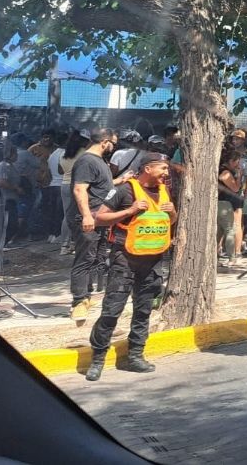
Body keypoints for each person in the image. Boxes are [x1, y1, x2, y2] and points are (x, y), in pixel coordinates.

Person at [82, 153, 175, 381]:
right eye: (162, 168)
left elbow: (168, 220)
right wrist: (130, 211)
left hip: (152, 261)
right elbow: (99, 217)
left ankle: (135, 356)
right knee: (112, 310)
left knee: (143, 311)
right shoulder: (125, 190)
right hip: (125, 259)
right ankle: (98, 359)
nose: (166, 172)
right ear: (147, 168)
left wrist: (172, 212)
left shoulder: (164, 191)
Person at [69, 128, 117, 323]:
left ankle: (87, 296)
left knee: (96, 257)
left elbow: (100, 187)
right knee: (84, 258)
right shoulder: (87, 161)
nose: (114, 147)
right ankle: (78, 301)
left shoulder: (99, 162)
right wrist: (87, 215)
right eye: (113, 143)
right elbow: (80, 189)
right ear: (104, 142)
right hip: (90, 218)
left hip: (102, 218)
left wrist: (120, 180)